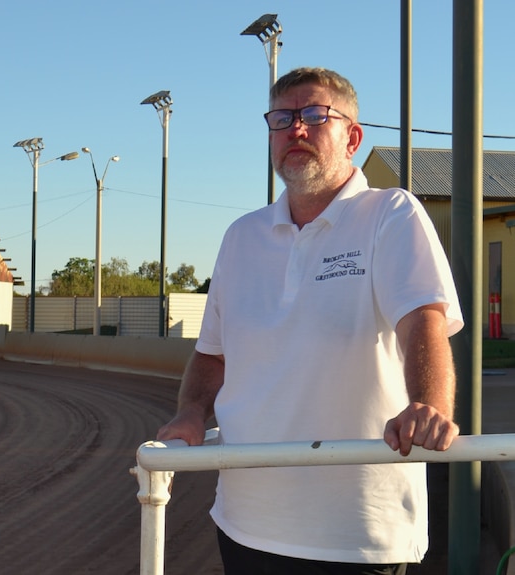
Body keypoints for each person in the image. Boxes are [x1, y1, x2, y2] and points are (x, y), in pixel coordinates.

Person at [157, 67, 463, 575]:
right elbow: (213, 352)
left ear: (353, 137)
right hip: (245, 522)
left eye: (315, 115)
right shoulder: (241, 236)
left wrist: (428, 404)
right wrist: (192, 412)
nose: (296, 129)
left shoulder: (390, 214)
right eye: (282, 118)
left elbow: (422, 322)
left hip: (356, 534)